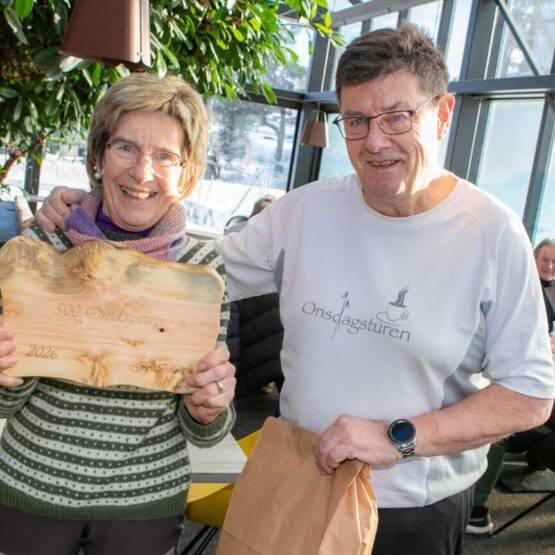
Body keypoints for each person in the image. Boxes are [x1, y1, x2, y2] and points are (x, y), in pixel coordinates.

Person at [34, 25, 555, 555]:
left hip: (411, 512)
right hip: (296, 481)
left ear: (441, 114)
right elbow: (175, 275)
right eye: (356, 120)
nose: (375, 141)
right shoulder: (304, 211)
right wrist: (96, 214)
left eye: (398, 116)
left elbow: (531, 395)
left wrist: (398, 436)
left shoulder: (492, 233)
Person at [0, 74, 236, 555]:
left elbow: (205, 427)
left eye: (165, 156)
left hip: (143, 508)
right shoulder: (42, 248)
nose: (142, 173)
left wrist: (208, 405)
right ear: (99, 156)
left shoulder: (202, 271)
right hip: (31, 493)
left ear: (187, 170)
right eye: (126, 147)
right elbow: (6, 401)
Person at [466, 238, 555, 535]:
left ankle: (477, 508)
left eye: (554, 262)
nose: (549, 266)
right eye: (545, 260)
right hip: (522, 382)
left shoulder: (545, 292)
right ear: (533, 259)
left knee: (505, 425)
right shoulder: (521, 290)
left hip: (537, 393)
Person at [224, 196, 284, 398]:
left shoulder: (232, 250)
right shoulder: (284, 253)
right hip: (275, 355)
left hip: (241, 361)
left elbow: (231, 333)